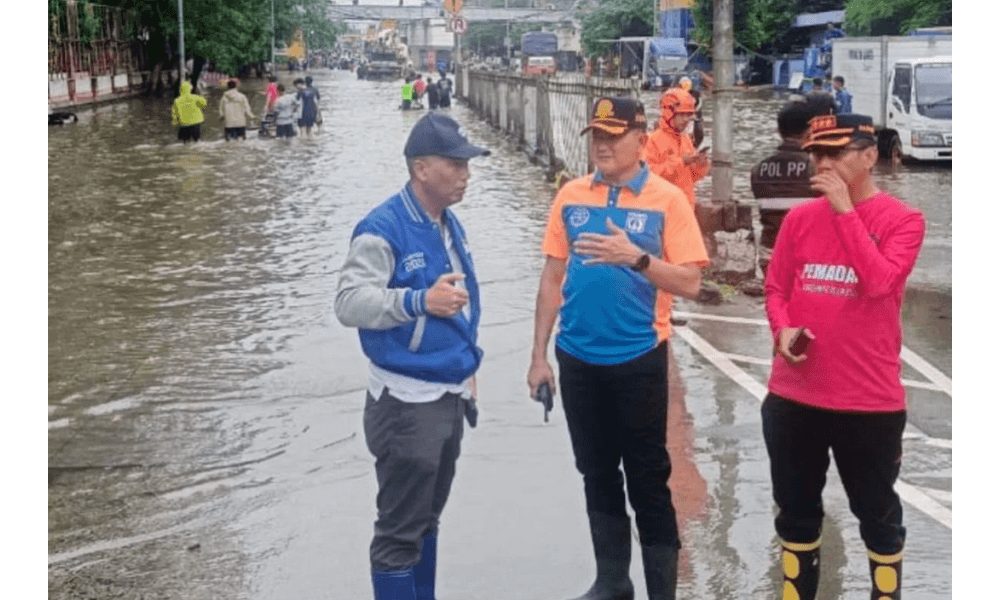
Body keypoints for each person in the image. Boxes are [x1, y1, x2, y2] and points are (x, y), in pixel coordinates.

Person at [527, 97, 709, 600]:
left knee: (648, 479)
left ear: (640, 137)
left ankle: (661, 592)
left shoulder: (667, 199)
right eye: (597, 137)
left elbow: (692, 282)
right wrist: (539, 356)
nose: (604, 146)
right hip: (577, 356)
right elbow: (551, 277)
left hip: (638, 357)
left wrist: (638, 259)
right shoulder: (571, 195)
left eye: (614, 135)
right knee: (595, 472)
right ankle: (611, 581)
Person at [762, 114, 925, 600]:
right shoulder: (798, 219)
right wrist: (781, 328)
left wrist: (844, 213)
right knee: (795, 511)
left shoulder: (903, 221)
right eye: (817, 153)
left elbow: (878, 283)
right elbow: (776, 288)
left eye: (836, 152)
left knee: (877, 513)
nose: (824, 162)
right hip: (795, 396)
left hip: (867, 401)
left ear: (870, 156)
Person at [334, 113, 490, 600]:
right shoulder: (383, 229)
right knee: (400, 533)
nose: (466, 175)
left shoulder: (447, 223)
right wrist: (417, 300)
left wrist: (467, 366)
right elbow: (349, 304)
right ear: (422, 169)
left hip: (447, 391)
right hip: (405, 401)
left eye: (468, 165)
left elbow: (461, 303)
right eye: (456, 164)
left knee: (427, 521)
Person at [750, 101, 816, 276]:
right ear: (811, 132)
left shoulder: (758, 170)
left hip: (769, 255)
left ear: (778, 132)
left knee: (774, 302)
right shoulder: (816, 169)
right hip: (806, 257)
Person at [642, 88, 710, 208]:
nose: (686, 120)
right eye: (682, 115)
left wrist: (700, 164)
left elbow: (691, 177)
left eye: (688, 115)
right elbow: (648, 177)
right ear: (669, 113)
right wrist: (681, 162)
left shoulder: (686, 140)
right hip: (662, 210)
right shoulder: (652, 140)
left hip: (685, 208)